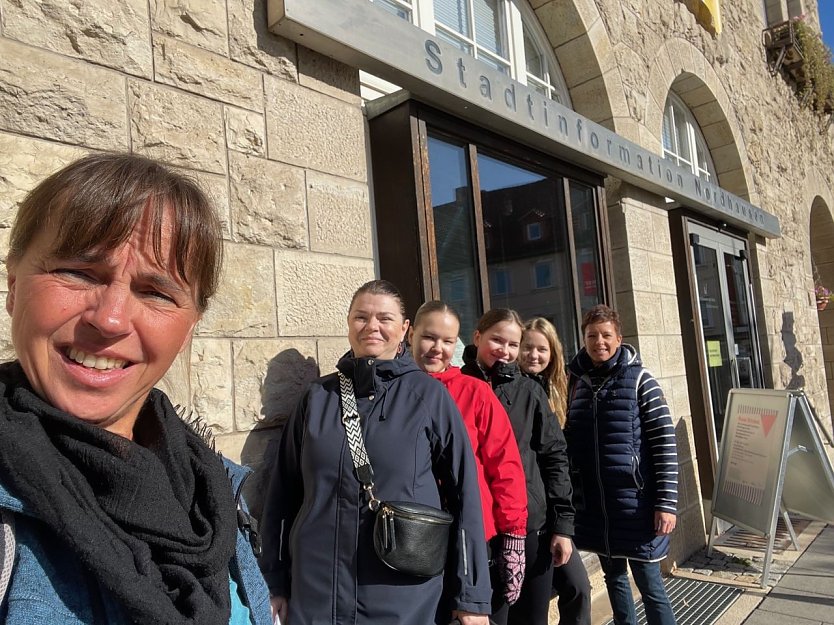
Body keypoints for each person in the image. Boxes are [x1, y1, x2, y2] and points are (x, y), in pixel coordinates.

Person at [0, 153, 271, 625]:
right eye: (78, 272)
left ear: (190, 325)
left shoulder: (216, 491)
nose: (109, 319)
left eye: (155, 292)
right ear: (13, 286)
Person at [259, 280, 491, 625]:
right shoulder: (317, 397)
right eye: (361, 317)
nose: (372, 327)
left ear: (404, 329)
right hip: (315, 593)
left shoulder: (428, 397)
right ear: (349, 323)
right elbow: (283, 495)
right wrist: (273, 582)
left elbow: (465, 498)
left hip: (402, 596)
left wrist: (471, 597)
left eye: (385, 318)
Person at [408, 300, 529, 613]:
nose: (437, 348)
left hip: (473, 536)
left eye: (447, 341)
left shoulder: (475, 392)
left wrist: (513, 536)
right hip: (412, 536)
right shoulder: (393, 390)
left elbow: (505, 467)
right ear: (410, 334)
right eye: (428, 337)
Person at [565, 305, 678, 625]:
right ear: (583, 339)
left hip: (637, 508)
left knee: (650, 585)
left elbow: (665, 445)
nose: (599, 342)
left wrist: (666, 504)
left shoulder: (641, 380)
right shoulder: (576, 383)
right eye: (591, 335)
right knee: (613, 579)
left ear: (619, 338)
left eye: (606, 335)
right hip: (597, 511)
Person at [461, 308, 575, 625]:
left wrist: (562, 525)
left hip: (530, 528)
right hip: (480, 531)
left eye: (513, 344)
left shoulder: (529, 392)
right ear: (477, 337)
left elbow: (555, 456)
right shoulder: (458, 386)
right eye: (497, 340)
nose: (505, 350)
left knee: (532, 618)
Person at [519, 318, 592, 625]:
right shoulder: (514, 390)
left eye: (542, 349)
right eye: (527, 347)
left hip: (555, 510)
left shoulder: (558, 389)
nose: (534, 355)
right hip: (531, 514)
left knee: (578, 588)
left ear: (553, 353)